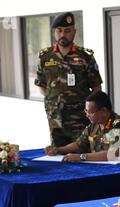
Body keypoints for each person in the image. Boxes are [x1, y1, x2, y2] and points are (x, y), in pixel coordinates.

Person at [35, 12, 103, 147]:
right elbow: (41, 86)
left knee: (82, 152)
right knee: (57, 154)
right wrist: (55, 100)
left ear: (74, 32)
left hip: (80, 119)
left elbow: (96, 89)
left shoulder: (85, 56)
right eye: (59, 31)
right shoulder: (45, 57)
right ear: (55, 32)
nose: (62, 35)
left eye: (67, 31)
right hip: (55, 119)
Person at [45, 91, 120, 162]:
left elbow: (112, 154)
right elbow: (79, 144)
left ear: (104, 111)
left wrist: (81, 157)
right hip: (101, 167)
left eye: (90, 112)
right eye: (86, 111)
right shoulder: (94, 125)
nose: (87, 115)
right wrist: (58, 150)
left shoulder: (119, 124)